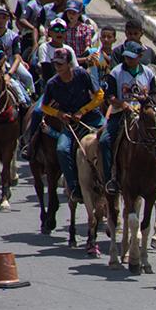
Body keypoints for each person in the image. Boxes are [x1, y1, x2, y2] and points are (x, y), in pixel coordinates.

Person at [100, 41, 156, 196]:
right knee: (104, 141)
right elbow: (109, 97)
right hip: (121, 113)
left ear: (140, 56)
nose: (129, 60)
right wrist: (122, 103)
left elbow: (153, 93)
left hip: (145, 114)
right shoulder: (115, 73)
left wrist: (154, 98)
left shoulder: (148, 73)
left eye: (132, 57)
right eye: (127, 57)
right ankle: (111, 178)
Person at [38, 46, 105, 198]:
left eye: (60, 64)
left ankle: (112, 179)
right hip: (70, 125)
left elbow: (99, 95)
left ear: (69, 64)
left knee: (108, 139)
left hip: (92, 118)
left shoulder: (82, 74)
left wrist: (83, 111)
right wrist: (60, 114)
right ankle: (75, 188)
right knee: (62, 149)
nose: (57, 67)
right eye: (55, 64)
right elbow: (44, 106)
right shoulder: (52, 84)